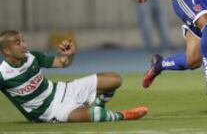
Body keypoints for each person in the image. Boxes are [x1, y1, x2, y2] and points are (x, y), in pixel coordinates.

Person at [0, 30, 148, 123]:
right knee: (94, 115)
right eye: (17, 43)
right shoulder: (3, 74)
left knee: (114, 80)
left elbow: (63, 63)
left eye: (23, 41)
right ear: (6, 51)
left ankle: (99, 104)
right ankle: (122, 116)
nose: (24, 45)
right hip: (51, 111)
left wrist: (68, 55)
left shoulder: (33, 57)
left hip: (63, 89)